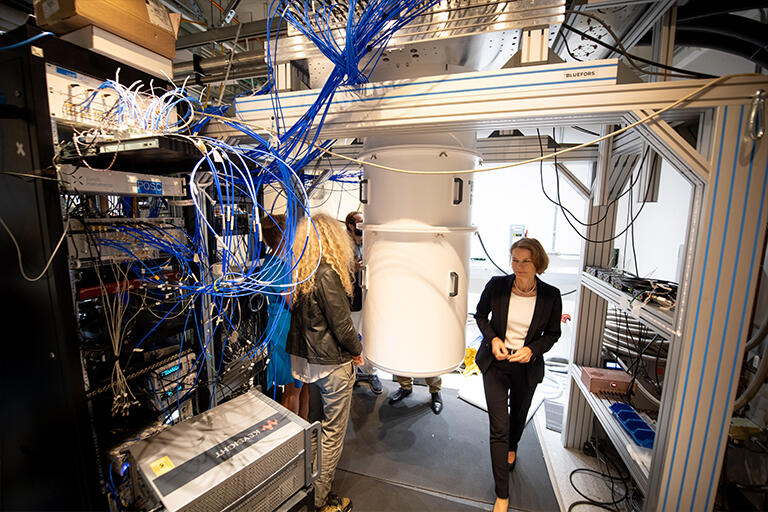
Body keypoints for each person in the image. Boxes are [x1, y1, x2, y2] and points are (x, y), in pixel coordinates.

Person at [474, 237, 562, 512]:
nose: (519, 266)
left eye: (526, 261)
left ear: (538, 263)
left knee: (518, 417)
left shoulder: (550, 295)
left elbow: (553, 334)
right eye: (515, 260)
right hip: (496, 362)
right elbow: (480, 316)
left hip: (526, 366)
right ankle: (502, 494)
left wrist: (532, 350)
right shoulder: (497, 286)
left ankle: (513, 446)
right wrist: (493, 339)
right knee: (499, 426)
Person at [287, 213, 363, 512]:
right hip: (331, 364)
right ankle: (319, 501)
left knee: (316, 427)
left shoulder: (300, 273)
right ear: (334, 239)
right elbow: (342, 326)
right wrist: (357, 350)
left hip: (307, 363)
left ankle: (308, 491)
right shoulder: (327, 274)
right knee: (331, 434)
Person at [262, 214, 308, 419]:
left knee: (303, 382)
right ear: (282, 236)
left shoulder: (281, 261)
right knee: (292, 388)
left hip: (292, 326)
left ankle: (305, 426)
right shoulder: (275, 267)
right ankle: (292, 433)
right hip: (285, 330)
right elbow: (293, 303)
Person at [344, 211, 382, 395]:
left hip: (370, 298)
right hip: (352, 300)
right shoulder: (343, 245)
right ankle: (350, 373)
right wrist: (351, 268)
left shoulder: (369, 242)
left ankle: (371, 373)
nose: (364, 224)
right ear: (351, 226)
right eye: (360, 222)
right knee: (351, 337)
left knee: (371, 336)